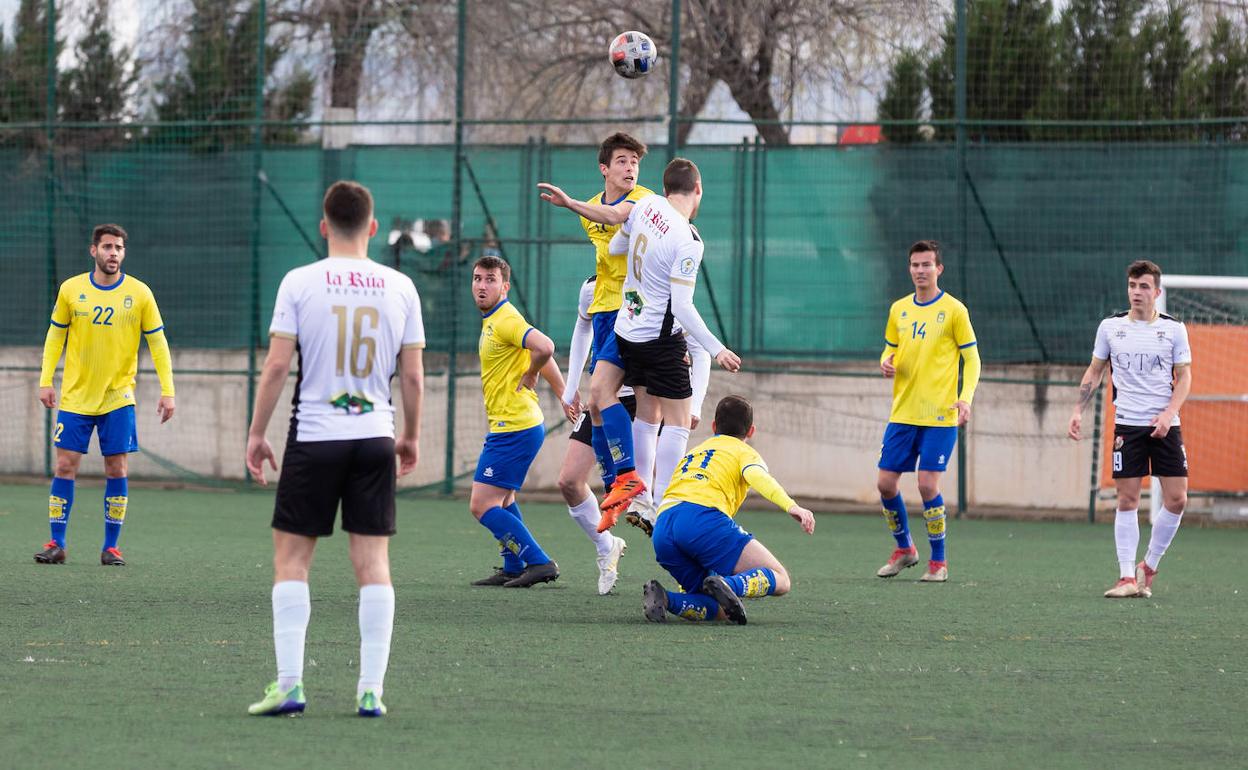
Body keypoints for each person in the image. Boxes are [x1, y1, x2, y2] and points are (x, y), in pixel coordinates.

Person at [244, 181, 425, 718]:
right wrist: (409, 435)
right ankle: (371, 690)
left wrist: (256, 433)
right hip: (373, 438)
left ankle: (290, 686)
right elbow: (412, 377)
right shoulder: (400, 287)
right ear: (371, 228)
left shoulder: (299, 282)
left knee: (292, 560)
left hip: (315, 438)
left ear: (324, 227)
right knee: (372, 564)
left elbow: (277, 366)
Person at [543, 158, 741, 530]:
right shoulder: (689, 239)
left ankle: (640, 495)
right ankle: (663, 502)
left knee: (643, 414)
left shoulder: (646, 205)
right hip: (660, 339)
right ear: (698, 190)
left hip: (627, 330)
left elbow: (617, 246)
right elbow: (682, 305)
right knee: (678, 422)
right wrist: (718, 349)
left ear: (665, 188)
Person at [35, 223, 175, 567]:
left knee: (117, 469)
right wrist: (45, 379)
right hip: (76, 398)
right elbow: (55, 337)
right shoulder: (71, 289)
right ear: (93, 250)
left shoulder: (140, 293)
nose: (113, 253)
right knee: (65, 466)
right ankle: (57, 543)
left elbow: (158, 343)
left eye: (119, 248)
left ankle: (111, 547)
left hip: (118, 397)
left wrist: (167, 391)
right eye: (107, 247)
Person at [536, 132, 654, 523]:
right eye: (622, 161)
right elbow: (603, 221)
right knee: (598, 402)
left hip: (634, 312)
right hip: (606, 310)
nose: (630, 167)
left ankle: (634, 484)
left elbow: (617, 216)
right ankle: (618, 487)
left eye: (634, 162)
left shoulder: (644, 201)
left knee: (615, 397)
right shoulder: (590, 210)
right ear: (604, 169)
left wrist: (570, 204)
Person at [1068, 260, 1192, 599]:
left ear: (1157, 292)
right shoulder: (1110, 328)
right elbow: (1094, 372)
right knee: (1127, 499)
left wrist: (1168, 414)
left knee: (1178, 499)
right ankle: (1125, 577)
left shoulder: (1173, 330)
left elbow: (1185, 379)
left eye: (1144, 287)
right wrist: (1078, 410)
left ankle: (1148, 566)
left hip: (1166, 426)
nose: (1137, 292)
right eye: (1132, 286)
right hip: (1128, 426)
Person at [644, 395, 815, 624]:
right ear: (751, 431)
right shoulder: (743, 451)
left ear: (714, 426)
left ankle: (666, 600)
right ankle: (729, 584)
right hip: (701, 519)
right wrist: (791, 506)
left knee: (719, 610)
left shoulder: (696, 451)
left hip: (663, 527)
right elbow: (757, 476)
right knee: (782, 579)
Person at [875, 240, 980, 583]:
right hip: (903, 413)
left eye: (927, 265)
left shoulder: (954, 310)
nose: (920, 271)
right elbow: (889, 349)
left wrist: (965, 398)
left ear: (939, 269)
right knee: (886, 484)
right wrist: (885, 363)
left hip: (940, 415)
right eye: (915, 265)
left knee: (925, 484)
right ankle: (905, 549)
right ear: (909, 268)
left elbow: (972, 359)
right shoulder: (899, 310)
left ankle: (939, 562)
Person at [468, 255, 576, 589]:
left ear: (505, 286)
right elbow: (540, 351)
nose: (482, 286)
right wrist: (563, 393)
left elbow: (544, 347)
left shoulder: (504, 319)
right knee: (504, 500)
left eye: (490, 279)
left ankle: (539, 562)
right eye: (477, 278)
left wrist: (530, 374)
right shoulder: (497, 319)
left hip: (515, 426)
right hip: (515, 424)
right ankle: (513, 565)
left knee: (481, 505)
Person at [558, 275, 630, 593]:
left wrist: (690, 402)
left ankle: (702, 572)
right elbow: (583, 326)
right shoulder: (591, 285)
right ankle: (606, 547)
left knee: (654, 494)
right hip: (600, 398)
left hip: (645, 400)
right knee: (570, 481)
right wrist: (571, 386)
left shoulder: (650, 280)